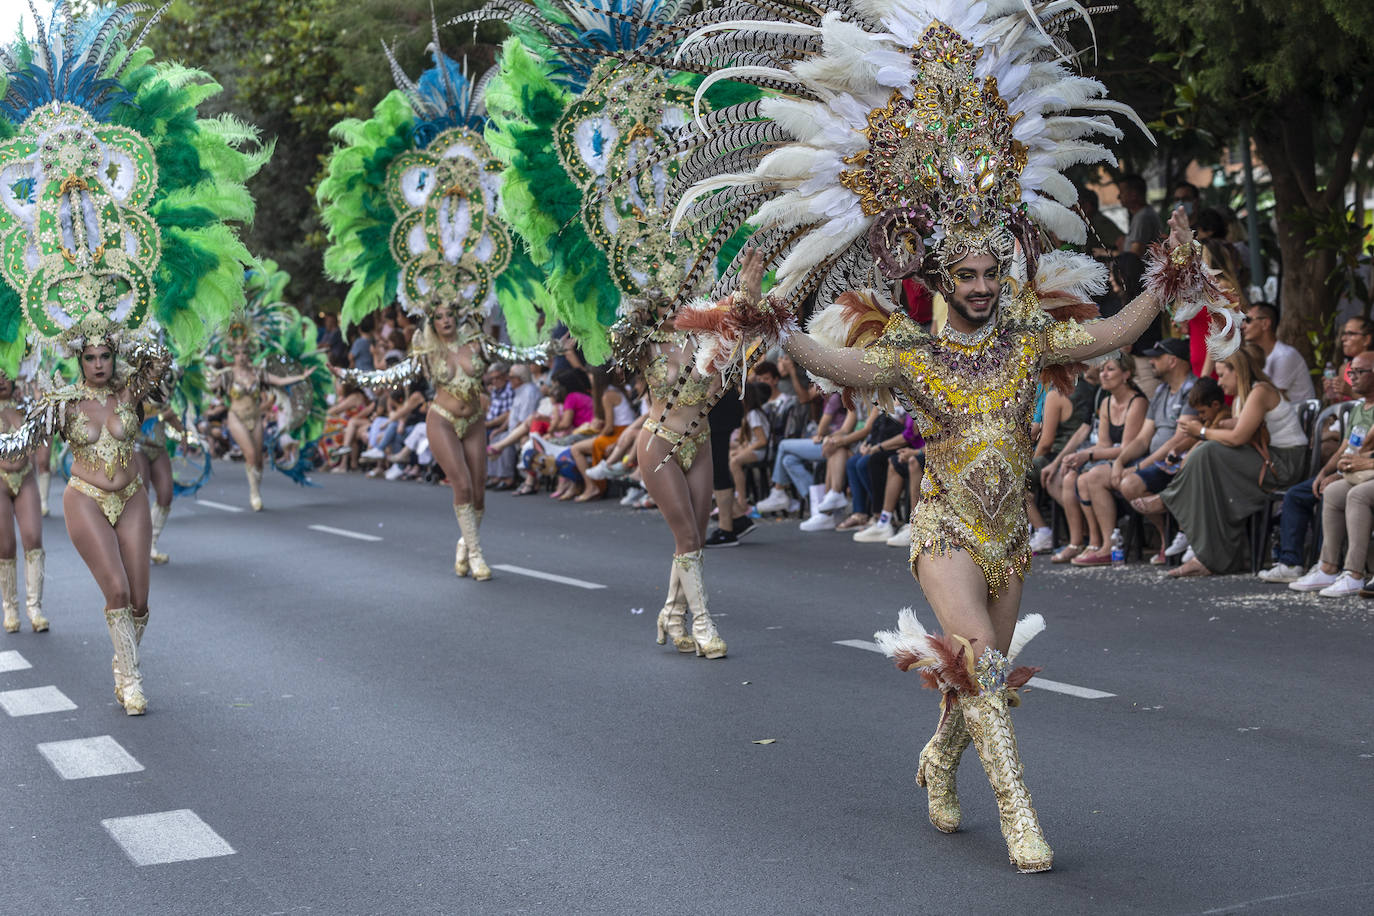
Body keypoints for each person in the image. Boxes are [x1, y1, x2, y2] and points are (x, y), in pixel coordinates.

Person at [613, 0, 1238, 873]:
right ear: (943, 276)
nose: (982, 285)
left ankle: (940, 761)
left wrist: (1167, 283)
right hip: (944, 529)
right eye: (969, 275)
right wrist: (770, 322)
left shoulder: (1029, 332)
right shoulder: (908, 352)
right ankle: (1021, 818)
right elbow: (836, 365)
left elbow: (1111, 336)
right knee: (982, 664)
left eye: (991, 272)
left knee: (980, 686)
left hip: (1010, 537)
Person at [336, 306, 548, 580]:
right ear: (431, 322)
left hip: (474, 421)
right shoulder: (427, 353)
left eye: (450, 314)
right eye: (438, 316)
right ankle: (476, 555)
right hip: (442, 420)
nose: (445, 320)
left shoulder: (478, 344)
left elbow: (517, 355)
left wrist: (552, 347)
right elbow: (390, 376)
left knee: (479, 493)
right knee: (461, 485)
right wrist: (351, 376)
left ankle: (464, 543)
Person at [1138, 343, 1308, 576]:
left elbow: (1237, 438)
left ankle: (1169, 500)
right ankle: (1207, 558)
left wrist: (1201, 432)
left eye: (1221, 374)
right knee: (1209, 467)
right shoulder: (1242, 397)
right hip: (1265, 458)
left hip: (1284, 463)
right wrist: (1213, 431)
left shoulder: (1260, 391)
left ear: (1237, 370)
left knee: (1207, 451)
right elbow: (1235, 434)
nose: (1218, 382)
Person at [1260, 349, 1374, 585]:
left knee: (1351, 494)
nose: (1352, 377)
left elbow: (1362, 454)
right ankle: (1321, 566)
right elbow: (1345, 448)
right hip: (1353, 471)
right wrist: (1324, 473)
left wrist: (1342, 472)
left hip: (1362, 474)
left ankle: (1354, 572)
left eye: (1360, 372)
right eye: (1351, 372)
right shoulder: (1357, 409)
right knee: (1309, 492)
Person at [211, 333, 317, 511]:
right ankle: (254, 493)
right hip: (235, 416)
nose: (242, 356)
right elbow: (208, 386)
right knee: (250, 454)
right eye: (238, 353)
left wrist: (300, 377)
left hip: (255, 417)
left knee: (258, 460)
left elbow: (280, 381)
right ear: (232, 355)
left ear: (249, 354)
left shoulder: (258, 373)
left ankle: (256, 487)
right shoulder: (227, 375)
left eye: (245, 352)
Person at [1066, 354, 1148, 566]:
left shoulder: (1137, 402)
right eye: (1102, 369)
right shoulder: (1106, 401)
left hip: (1131, 461)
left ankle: (1108, 546)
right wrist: (1079, 455)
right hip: (1112, 458)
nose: (1103, 374)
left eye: (1110, 369)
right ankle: (1096, 542)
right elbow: (1103, 444)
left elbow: (1127, 449)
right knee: (1080, 478)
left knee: (1092, 477)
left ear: (1126, 374)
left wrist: (1088, 455)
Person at [0, 371, 46, 634]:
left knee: (33, 539)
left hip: (25, 478)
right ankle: (10, 607)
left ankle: (35, 607)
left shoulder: (25, 406)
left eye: (6, 374)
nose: (1, 379)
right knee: (5, 546)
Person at [1242, 302, 1315, 402]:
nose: (1243, 326)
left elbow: (1270, 399)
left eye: (1248, 320)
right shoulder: (1258, 356)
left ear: (1265, 324)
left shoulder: (1284, 356)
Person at [1117, 174, 1165, 257]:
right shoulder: (1141, 215)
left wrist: (1121, 249)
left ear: (1134, 194)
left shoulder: (1143, 217)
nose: (1118, 196)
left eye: (1122, 192)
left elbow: (1135, 255)